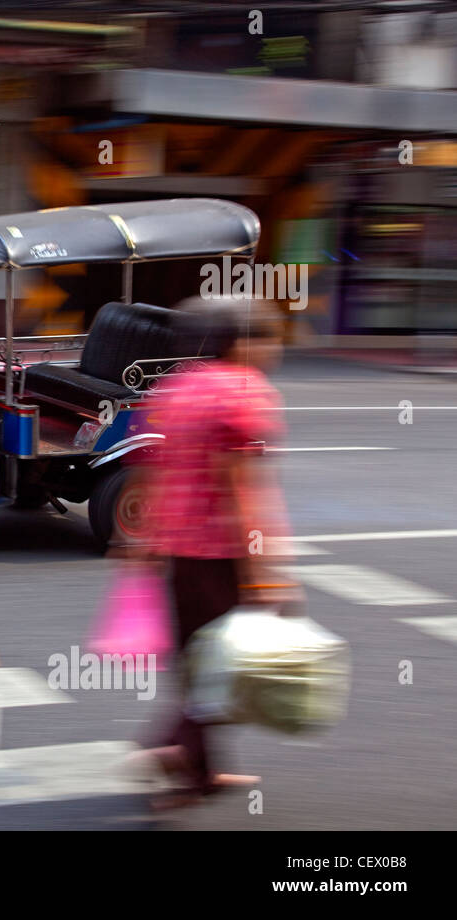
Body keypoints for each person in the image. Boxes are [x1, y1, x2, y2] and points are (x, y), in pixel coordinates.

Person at [128, 296, 300, 810]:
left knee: (201, 664)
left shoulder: (174, 390)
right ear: (240, 342)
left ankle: (198, 770)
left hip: (177, 553)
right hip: (221, 555)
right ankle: (176, 753)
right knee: (225, 670)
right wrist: (264, 570)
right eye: (269, 337)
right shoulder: (244, 393)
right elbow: (241, 488)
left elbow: (150, 471)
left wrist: (143, 544)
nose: (276, 349)